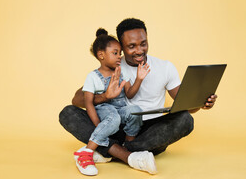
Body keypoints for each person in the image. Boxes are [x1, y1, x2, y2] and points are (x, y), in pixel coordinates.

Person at [59, 18, 218, 174]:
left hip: (150, 132)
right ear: (121, 47)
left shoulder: (165, 67)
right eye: (131, 46)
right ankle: (128, 156)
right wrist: (105, 96)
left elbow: (186, 105)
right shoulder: (113, 64)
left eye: (143, 44)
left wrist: (201, 102)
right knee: (68, 113)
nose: (139, 50)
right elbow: (77, 100)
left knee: (185, 119)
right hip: (116, 126)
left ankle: (109, 150)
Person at [74, 28, 155, 176]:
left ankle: (127, 145)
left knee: (135, 110)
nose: (119, 57)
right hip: (104, 109)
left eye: (120, 53)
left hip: (120, 108)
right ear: (101, 55)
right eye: (115, 53)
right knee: (113, 117)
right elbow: (89, 103)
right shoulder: (92, 77)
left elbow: (130, 94)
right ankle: (87, 152)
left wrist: (139, 79)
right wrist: (98, 126)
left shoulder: (120, 72)